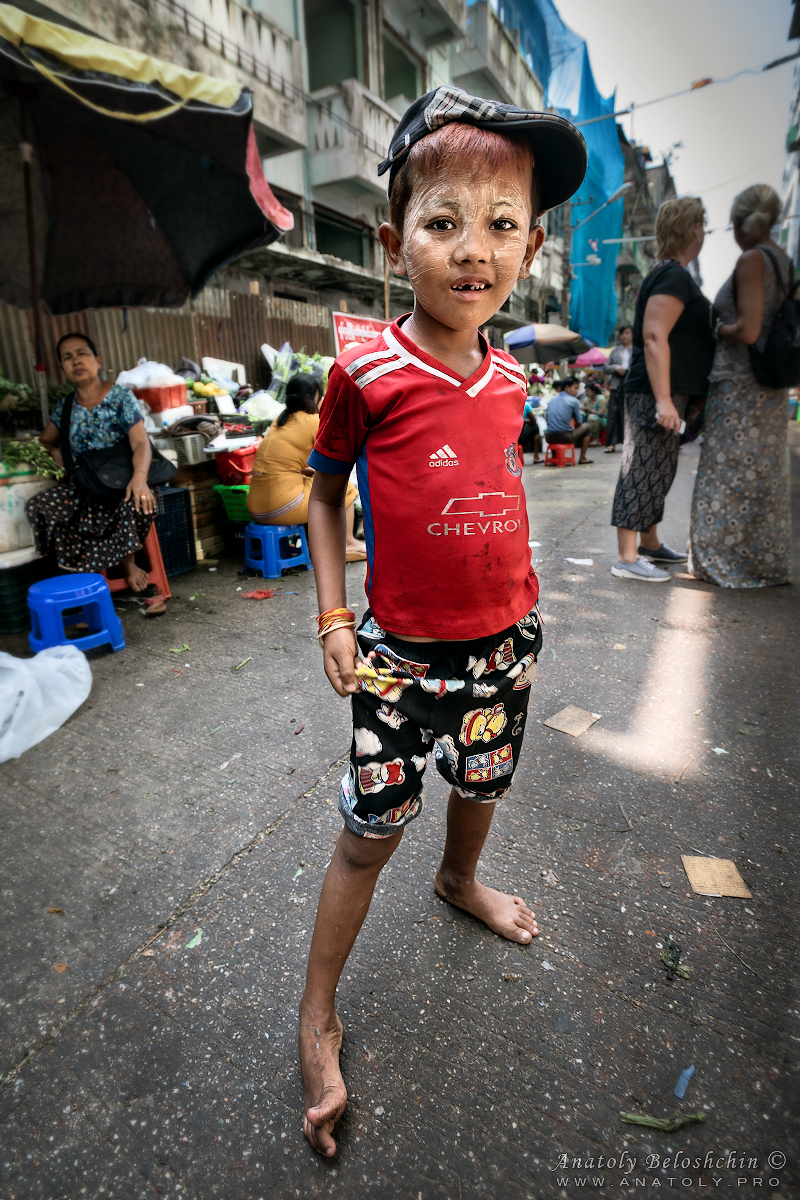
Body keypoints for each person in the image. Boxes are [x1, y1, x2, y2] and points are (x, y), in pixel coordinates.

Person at [296, 85, 586, 1156]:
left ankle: (460, 877)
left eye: (501, 225)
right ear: (392, 240)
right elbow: (323, 496)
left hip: (505, 642)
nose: (474, 251)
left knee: (482, 780)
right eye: (443, 222)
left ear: (531, 245)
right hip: (396, 658)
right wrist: (333, 615)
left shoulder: (512, 377)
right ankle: (315, 1010)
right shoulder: (363, 368)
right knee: (369, 829)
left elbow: (482, 488)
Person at [690, 185, 792, 587]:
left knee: (726, 472)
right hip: (770, 384)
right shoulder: (784, 260)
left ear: (739, 223)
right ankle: (760, 560)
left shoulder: (753, 259)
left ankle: (723, 561)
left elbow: (747, 330)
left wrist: (717, 328)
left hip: (741, 383)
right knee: (763, 474)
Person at [610, 196, 714, 581]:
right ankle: (626, 555)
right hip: (655, 391)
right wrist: (664, 399)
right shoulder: (672, 275)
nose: (705, 233)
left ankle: (650, 543)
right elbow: (654, 336)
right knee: (641, 468)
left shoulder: (669, 273)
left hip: (663, 390)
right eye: (702, 225)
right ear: (691, 228)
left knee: (658, 470)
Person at [25, 333, 164, 606]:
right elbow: (44, 440)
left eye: (81, 354)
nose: (75, 361)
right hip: (86, 486)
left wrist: (139, 478)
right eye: (67, 357)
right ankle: (78, 577)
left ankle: (129, 564)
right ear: (62, 367)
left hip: (122, 482)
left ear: (97, 360)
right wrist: (56, 452)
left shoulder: (120, 397)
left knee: (130, 500)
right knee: (40, 505)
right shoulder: (65, 407)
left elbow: (141, 444)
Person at [247, 373, 365, 560]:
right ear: (314, 397)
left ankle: (317, 542)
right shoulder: (312, 421)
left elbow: (299, 466)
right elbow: (334, 460)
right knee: (345, 488)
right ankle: (347, 543)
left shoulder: (279, 420)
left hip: (255, 507)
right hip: (283, 507)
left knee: (313, 484)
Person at [544, 376, 592, 463]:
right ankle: (582, 458)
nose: (576, 391)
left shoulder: (551, 400)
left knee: (556, 428)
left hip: (549, 437)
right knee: (587, 427)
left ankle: (554, 456)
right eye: (575, 388)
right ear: (567, 388)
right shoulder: (573, 401)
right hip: (564, 436)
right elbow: (579, 423)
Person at [602, 325, 633, 451]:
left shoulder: (636, 350)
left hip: (630, 384)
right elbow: (605, 367)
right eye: (622, 333)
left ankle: (629, 443)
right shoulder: (615, 350)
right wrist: (616, 367)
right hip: (616, 384)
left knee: (629, 414)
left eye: (627, 333)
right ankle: (611, 443)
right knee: (613, 413)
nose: (624, 336)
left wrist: (627, 370)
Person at [519, 395, 543, 462]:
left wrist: (523, 422)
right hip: (518, 438)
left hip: (506, 438)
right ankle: (536, 457)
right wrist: (524, 421)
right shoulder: (526, 405)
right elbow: (534, 422)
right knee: (535, 427)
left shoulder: (507, 404)